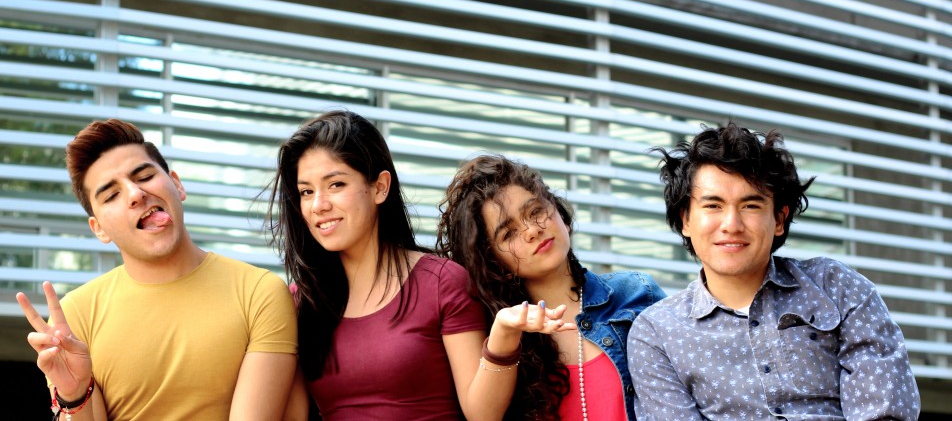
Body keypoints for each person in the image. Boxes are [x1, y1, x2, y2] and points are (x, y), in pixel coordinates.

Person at [267, 110, 570, 420]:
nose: (319, 205)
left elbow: (482, 413)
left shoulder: (441, 282)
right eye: (306, 191)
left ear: (380, 187)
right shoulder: (299, 304)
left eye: (335, 185)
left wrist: (504, 335)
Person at [627, 122, 920, 420]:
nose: (731, 224)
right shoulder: (657, 332)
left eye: (751, 206)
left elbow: (885, 410)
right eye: (713, 205)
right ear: (686, 219)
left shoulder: (837, 287)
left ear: (779, 219)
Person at [15, 119, 298, 420]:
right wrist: (73, 395)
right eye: (111, 195)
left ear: (177, 184)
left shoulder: (260, 292)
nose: (135, 194)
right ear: (99, 230)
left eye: (145, 176)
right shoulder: (74, 317)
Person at [436, 154, 665, 421]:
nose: (532, 230)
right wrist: (504, 335)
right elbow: (483, 417)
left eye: (535, 211)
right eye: (508, 233)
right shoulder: (494, 333)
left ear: (560, 214)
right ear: (495, 263)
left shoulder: (635, 293)